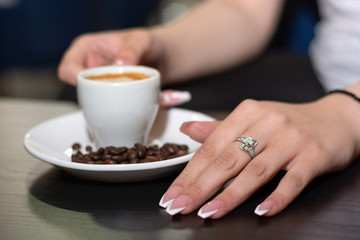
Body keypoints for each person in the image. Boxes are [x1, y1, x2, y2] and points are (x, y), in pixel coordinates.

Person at [58, 0, 360, 219]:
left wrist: (348, 111)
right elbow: (245, 11)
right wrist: (161, 48)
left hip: (343, 107)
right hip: (326, 79)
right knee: (77, 87)